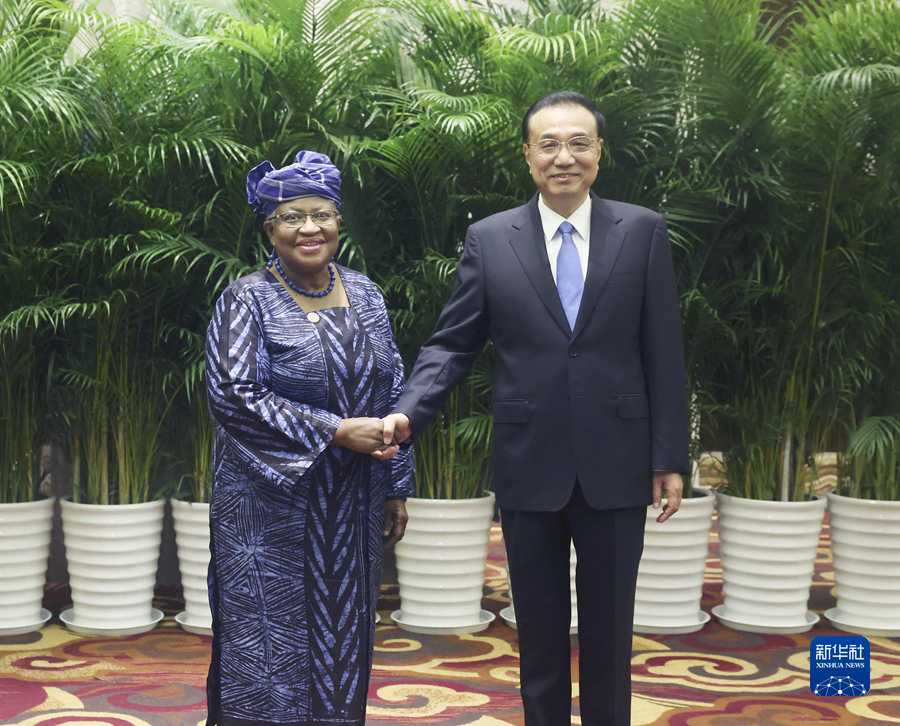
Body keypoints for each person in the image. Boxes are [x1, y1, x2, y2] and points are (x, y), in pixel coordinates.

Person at [382, 92, 690, 726]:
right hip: (530, 462)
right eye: (548, 144)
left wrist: (669, 456)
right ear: (527, 156)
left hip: (618, 460)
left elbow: (664, 350)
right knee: (539, 635)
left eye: (578, 142)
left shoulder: (643, 231)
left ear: (600, 152)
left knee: (611, 634)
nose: (564, 157)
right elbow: (452, 343)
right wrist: (409, 411)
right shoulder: (492, 238)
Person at [205, 150, 414, 726]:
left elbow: (394, 386)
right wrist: (335, 431)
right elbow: (233, 394)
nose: (309, 229)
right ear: (269, 229)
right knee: (268, 646)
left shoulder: (366, 293)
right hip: (269, 510)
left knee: (344, 635)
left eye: (321, 214)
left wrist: (397, 485)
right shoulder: (246, 299)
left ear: (339, 221)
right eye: (292, 217)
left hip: (354, 502)